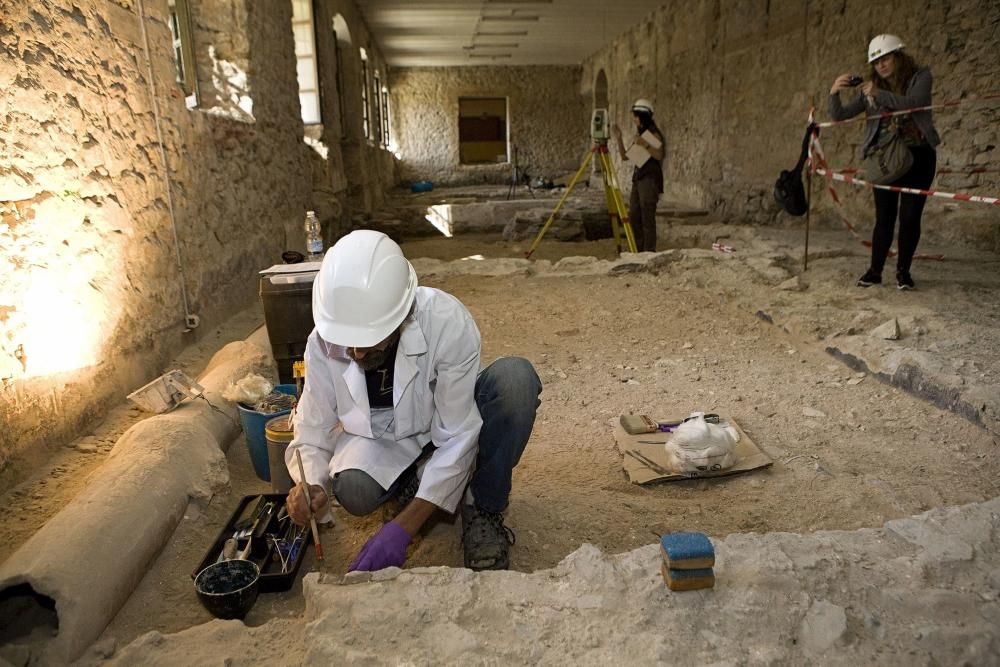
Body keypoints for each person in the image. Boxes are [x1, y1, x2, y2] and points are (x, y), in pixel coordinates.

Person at [284, 229, 542, 572]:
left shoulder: (447, 322)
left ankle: (483, 506)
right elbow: (313, 425)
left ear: (403, 314)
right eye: (349, 342)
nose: (357, 352)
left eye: (369, 339)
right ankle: (416, 482)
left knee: (515, 384)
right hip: (389, 436)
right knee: (355, 490)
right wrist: (311, 483)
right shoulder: (325, 338)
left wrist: (403, 530)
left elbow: (458, 434)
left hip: (447, 415)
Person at [829, 34, 940, 290]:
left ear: (898, 56)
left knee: (910, 217)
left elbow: (915, 104)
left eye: (886, 58)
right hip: (885, 160)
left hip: (919, 156)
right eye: (877, 61)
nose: (882, 65)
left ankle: (903, 273)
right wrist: (834, 92)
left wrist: (878, 94)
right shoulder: (870, 88)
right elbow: (839, 115)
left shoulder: (920, 77)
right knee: (884, 218)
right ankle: (875, 271)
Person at [612, 98, 666, 252]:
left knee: (647, 216)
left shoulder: (653, 134)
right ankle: (638, 249)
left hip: (649, 179)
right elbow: (625, 156)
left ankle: (648, 251)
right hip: (639, 179)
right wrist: (619, 138)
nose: (634, 119)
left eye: (636, 116)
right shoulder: (642, 135)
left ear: (643, 116)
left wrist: (645, 144)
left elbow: (659, 155)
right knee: (634, 215)